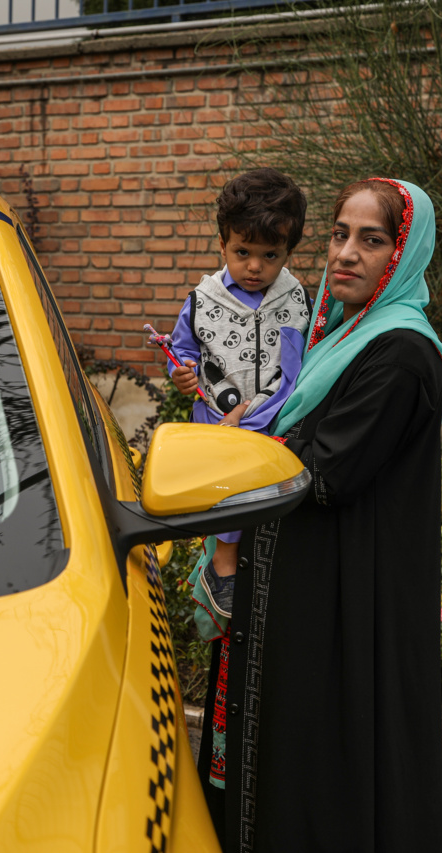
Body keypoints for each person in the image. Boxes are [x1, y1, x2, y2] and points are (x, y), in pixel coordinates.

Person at [196, 177, 442, 852]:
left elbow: (325, 472)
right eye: (340, 235)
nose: (346, 253)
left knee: (331, 768)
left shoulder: (399, 352)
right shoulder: (338, 336)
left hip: (349, 604)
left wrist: (239, 447)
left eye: (372, 240)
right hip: (310, 592)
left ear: (405, 253)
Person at [167, 169, 311, 632]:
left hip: (273, 414)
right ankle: (222, 567)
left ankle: (241, 568)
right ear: (223, 245)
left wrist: (270, 408)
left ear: (288, 252)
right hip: (217, 418)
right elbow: (182, 350)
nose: (254, 267)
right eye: (242, 252)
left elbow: (297, 356)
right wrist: (180, 375)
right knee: (231, 486)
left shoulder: (297, 298)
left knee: (265, 497)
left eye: (270, 256)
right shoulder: (202, 299)